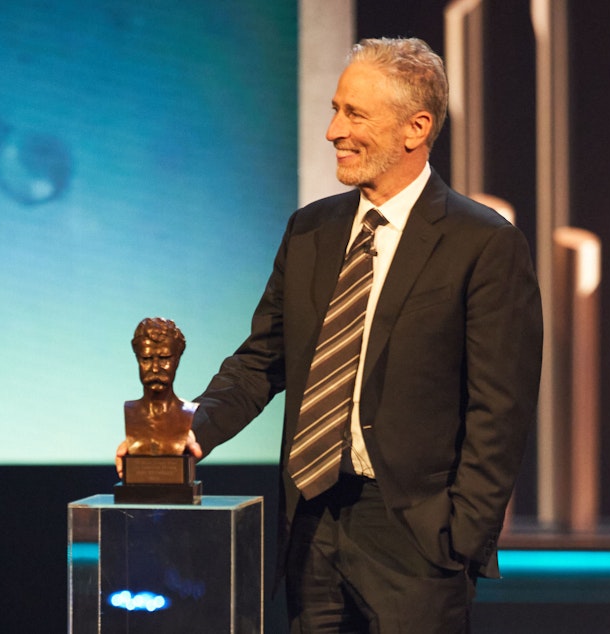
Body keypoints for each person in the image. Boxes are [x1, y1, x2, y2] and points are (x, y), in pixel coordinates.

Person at [117, 37, 542, 633]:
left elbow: (501, 409)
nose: (332, 131)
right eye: (334, 109)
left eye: (354, 114)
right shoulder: (310, 230)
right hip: (311, 525)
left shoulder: (484, 244)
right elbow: (261, 361)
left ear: (415, 128)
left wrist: (459, 535)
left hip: (417, 537)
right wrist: (187, 434)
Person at [123, 317, 198, 456]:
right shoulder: (130, 411)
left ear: (177, 360)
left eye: (164, 358)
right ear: (138, 359)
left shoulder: (188, 412)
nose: (155, 368)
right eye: (146, 359)